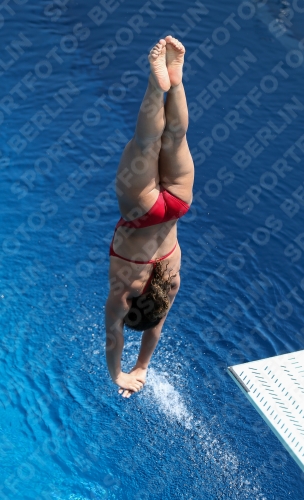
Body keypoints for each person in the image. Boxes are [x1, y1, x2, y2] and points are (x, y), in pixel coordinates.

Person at [105, 36, 194, 398]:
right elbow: (114, 336)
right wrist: (118, 375)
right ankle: (155, 86)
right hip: (141, 214)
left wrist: (142, 367)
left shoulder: (168, 286)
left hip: (175, 207)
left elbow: (155, 328)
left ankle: (177, 79)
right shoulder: (122, 294)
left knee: (174, 137)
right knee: (145, 144)